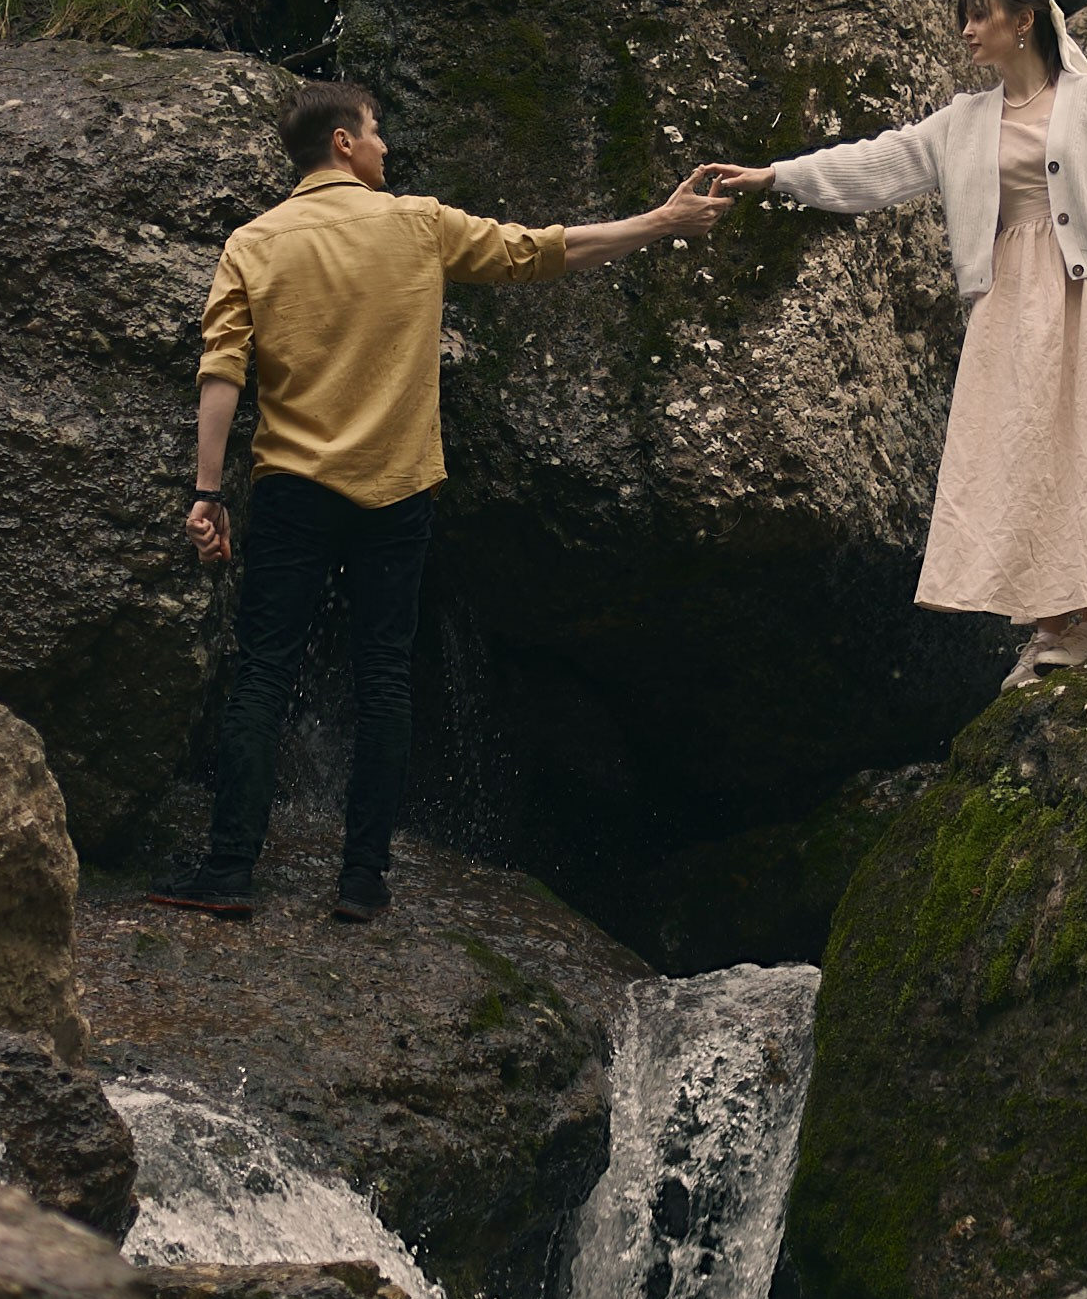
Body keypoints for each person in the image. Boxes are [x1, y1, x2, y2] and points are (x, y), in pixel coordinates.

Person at [155, 80, 733, 920]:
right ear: (345, 143)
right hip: (396, 490)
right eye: (377, 131)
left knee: (264, 678)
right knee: (383, 677)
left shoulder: (254, 242)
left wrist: (208, 493)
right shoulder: (417, 224)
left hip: (293, 489)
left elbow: (222, 373)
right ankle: (361, 882)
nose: (387, 146)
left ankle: (231, 870)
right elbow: (545, 251)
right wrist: (660, 222)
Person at [710, 0, 1087, 684]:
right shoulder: (965, 120)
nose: (969, 32)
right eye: (964, 20)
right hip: (1011, 303)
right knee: (1024, 452)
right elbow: (881, 163)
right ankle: (1044, 630)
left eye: (981, 16)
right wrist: (775, 176)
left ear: (1025, 21)